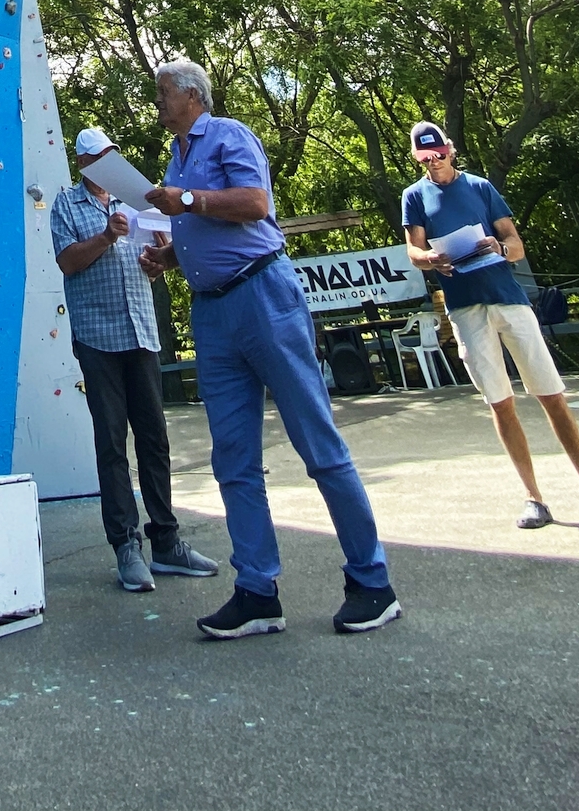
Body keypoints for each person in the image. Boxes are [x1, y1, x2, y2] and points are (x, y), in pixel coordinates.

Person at [140, 61, 401, 639]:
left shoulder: (229, 134)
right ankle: (257, 591)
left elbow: (255, 205)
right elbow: (195, 222)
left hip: (264, 296)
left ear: (191, 95)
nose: (156, 100)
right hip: (211, 312)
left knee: (318, 443)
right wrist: (170, 258)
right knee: (232, 458)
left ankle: (372, 582)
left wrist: (191, 202)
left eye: (162, 92)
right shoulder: (176, 158)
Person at [402, 121, 579, 528]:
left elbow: (515, 244)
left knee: (552, 395)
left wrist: (498, 246)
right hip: (465, 308)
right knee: (500, 401)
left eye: (438, 153)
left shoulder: (480, 188)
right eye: (424, 157)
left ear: (451, 149)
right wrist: (430, 259)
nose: (433, 161)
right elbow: (413, 249)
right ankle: (534, 499)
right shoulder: (414, 196)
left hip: (508, 301)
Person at [51, 126, 218, 592]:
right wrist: (106, 235)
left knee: (154, 440)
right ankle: (126, 546)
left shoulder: (139, 201)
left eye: (110, 154)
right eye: (96, 157)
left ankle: (167, 542)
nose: (105, 162)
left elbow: (160, 259)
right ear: (81, 164)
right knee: (111, 442)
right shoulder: (67, 204)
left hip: (141, 330)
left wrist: (158, 264)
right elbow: (67, 262)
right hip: (97, 336)